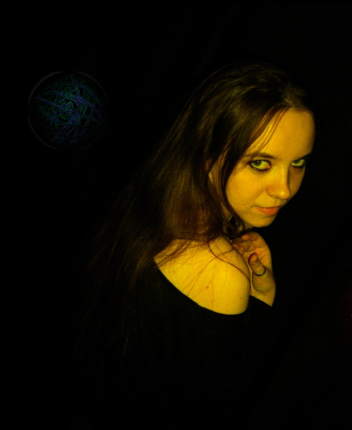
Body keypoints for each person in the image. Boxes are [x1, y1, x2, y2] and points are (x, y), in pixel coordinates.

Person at [69, 62, 316, 429]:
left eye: (298, 163)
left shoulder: (154, 202)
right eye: (260, 163)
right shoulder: (220, 270)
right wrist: (263, 298)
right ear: (206, 154)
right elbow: (215, 406)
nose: (284, 189)